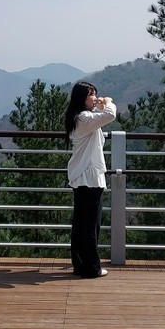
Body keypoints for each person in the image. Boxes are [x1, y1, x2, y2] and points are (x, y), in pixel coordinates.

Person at [64, 81, 116, 278]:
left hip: (82, 176)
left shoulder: (79, 117)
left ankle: (80, 265)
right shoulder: (84, 119)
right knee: (90, 225)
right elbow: (109, 115)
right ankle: (91, 268)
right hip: (89, 177)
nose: (94, 97)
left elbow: (99, 119)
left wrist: (99, 106)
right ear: (81, 98)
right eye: (91, 94)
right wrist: (108, 102)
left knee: (81, 224)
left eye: (95, 93)